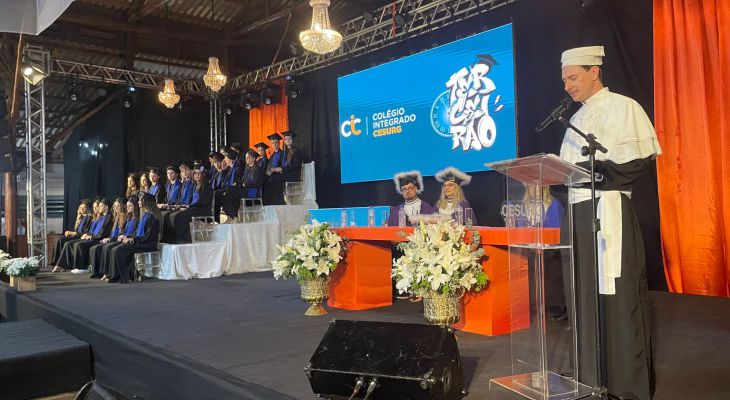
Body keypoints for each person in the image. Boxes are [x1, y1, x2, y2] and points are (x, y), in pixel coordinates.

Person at [558, 46, 661, 400]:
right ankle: (588, 376)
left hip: (610, 211)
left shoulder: (624, 107)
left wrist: (596, 173)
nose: (568, 86)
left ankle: (624, 384)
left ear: (594, 72)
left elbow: (636, 165)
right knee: (583, 297)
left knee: (617, 297)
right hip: (576, 214)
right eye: (564, 80)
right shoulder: (575, 119)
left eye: (573, 77)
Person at [107, 193, 161, 283]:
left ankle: (125, 277)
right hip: (140, 242)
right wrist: (129, 238)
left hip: (147, 244)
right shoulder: (144, 215)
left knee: (120, 250)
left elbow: (149, 236)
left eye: (140, 200)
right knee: (115, 249)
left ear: (145, 202)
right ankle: (116, 275)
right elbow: (137, 233)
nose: (138, 202)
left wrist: (134, 239)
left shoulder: (152, 217)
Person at [94, 196, 139, 281]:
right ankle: (107, 272)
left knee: (112, 248)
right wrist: (120, 236)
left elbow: (136, 232)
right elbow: (122, 231)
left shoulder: (137, 218)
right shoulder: (128, 217)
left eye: (118, 206)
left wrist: (125, 237)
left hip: (131, 240)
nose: (115, 208)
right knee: (106, 247)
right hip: (123, 239)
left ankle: (114, 274)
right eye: (115, 206)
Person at [171, 164, 214, 243]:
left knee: (179, 216)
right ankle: (176, 238)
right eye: (195, 173)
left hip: (202, 210)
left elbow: (202, 202)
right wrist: (184, 206)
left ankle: (183, 239)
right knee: (174, 214)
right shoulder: (195, 185)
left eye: (199, 173)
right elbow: (191, 200)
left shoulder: (206, 186)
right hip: (194, 208)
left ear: (203, 174)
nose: (197, 175)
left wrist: (189, 206)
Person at [221, 149, 264, 222]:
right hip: (245, 190)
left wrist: (245, 184)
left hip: (252, 191)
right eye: (246, 158)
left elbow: (256, 181)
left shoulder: (257, 169)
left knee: (231, 191)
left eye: (249, 157)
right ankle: (231, 215)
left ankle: (231, 216)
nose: (247, 159)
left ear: (254, 158)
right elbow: (242, 180)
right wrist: (238, 184)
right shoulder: (247, 169)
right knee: (230, 189)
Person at [51, 199, 92, 271]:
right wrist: (72, 234)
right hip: (76, 236)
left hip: (81, 237)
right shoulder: (80, 217)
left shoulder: (90, 218)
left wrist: (72, 233)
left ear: (88, 209)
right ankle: (57, 262)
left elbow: (85, 232)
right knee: (59, 240)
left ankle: (61, 265)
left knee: (67, 243)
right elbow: (77, 230)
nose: (82, 209)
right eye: (81, 207)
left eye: (84, 207)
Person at [264, 133, 285, 205]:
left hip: (279, 176)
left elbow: (283, 166)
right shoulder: (272, 155)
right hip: (272, 176)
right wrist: (268, 172)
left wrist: (275, 170)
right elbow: (269, 167)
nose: (274, 144)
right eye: (273, 143)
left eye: (276, 142)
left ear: (279, 143)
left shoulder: (283, 154)